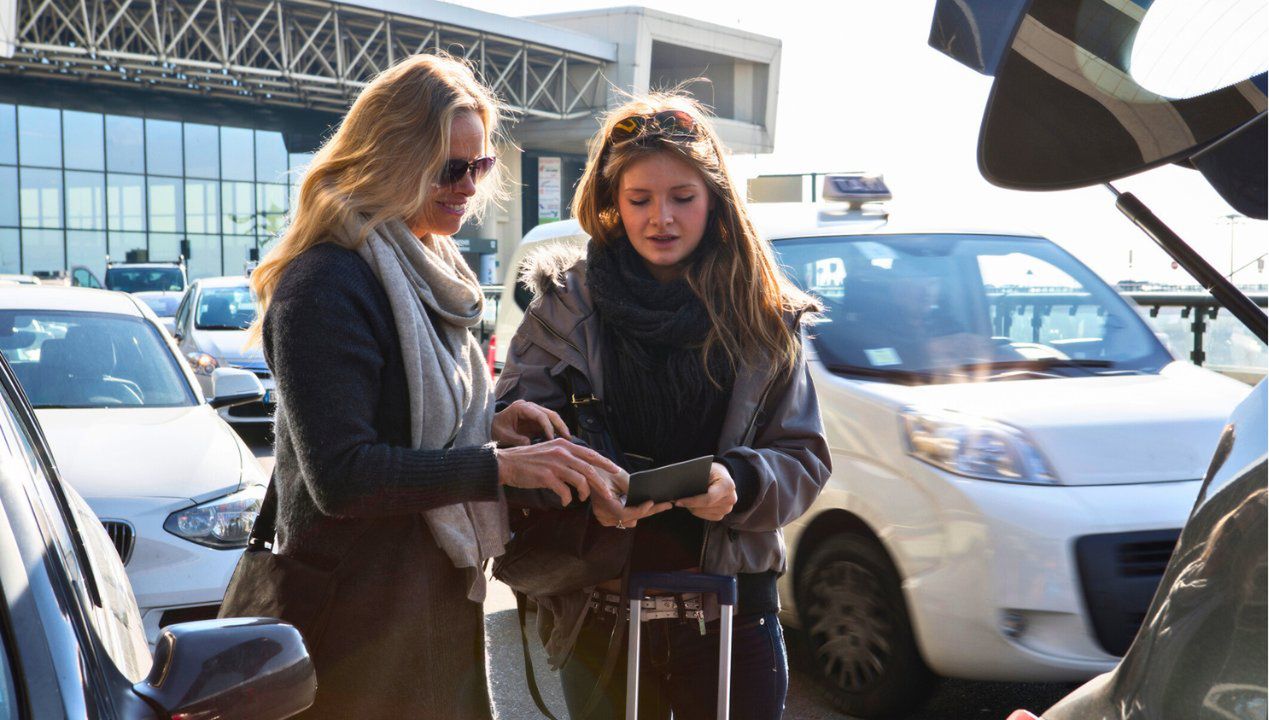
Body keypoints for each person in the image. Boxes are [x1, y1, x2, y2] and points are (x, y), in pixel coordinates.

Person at [243, 54, 622, 720]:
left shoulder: (428, 272)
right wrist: (496, 467)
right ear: (390, 159)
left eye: (479, 166)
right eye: (451, 168)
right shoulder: (327, 284)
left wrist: (489, 427)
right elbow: (343, 475)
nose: (468, 186)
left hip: (424, 604)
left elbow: (412, 427)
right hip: (355, 625)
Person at [495, 92, 832, 719]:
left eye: (683, 197)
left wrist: (742, 481)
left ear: (715, 199)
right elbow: (515, 451)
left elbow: (805, 458)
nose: (662, 219)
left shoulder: (764, 313)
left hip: (733, 608)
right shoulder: (560, 309)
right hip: (601, 612)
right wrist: (582, 487)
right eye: (640, 199)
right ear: (611, 204)